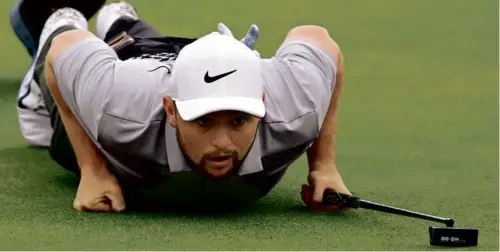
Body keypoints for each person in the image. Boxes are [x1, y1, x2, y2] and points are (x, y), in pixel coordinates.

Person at [12, 0, 352, 213]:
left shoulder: (296, 110)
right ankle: (61, 16)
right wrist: (93, 170)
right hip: (136, 80)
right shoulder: (119, 112)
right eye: (203, 121)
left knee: (154, 49)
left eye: (238, 120)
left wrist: (323, 166)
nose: (222, 142)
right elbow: (65, 49)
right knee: (54, 122)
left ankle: (120, 22)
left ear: (261, 104)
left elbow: (319, 39)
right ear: (172, 111)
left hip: (173, 60)